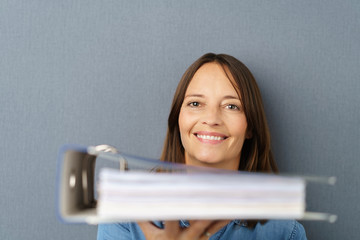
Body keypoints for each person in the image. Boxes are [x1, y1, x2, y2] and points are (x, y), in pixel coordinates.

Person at [97, 53, 307, 239]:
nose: (211, 118)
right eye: (195, 103)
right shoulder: (124, 216)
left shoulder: (284, 233)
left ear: (250, 126)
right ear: (178, 119)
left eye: (231, 106)